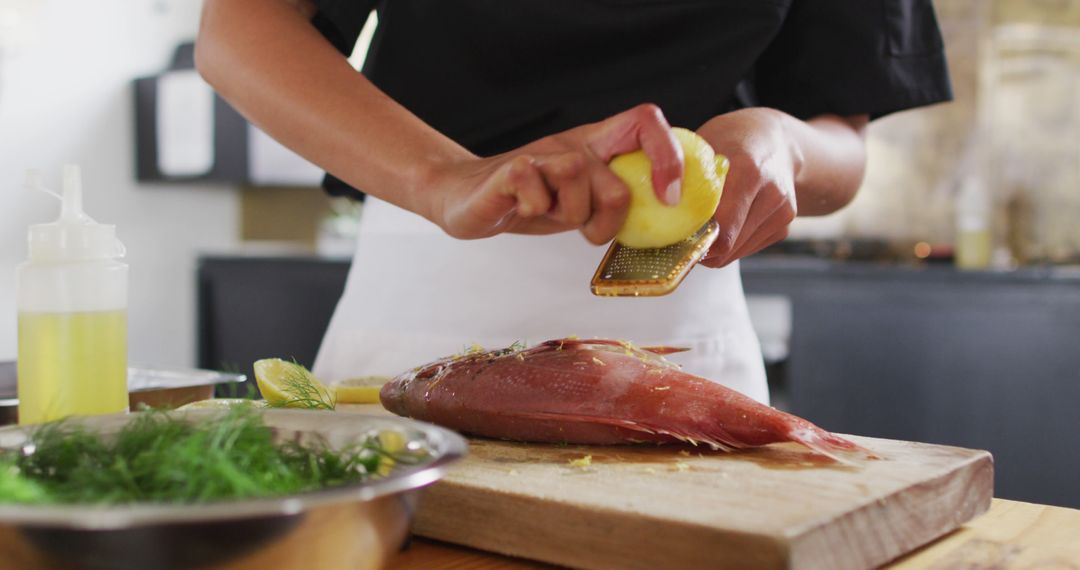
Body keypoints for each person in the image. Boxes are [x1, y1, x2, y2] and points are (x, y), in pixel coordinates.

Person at [196, 0, 951, 404]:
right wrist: (447, 177)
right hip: (417, 312)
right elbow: (241, 23)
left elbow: (843, 135)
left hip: (685, 335)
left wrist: (781, 141)